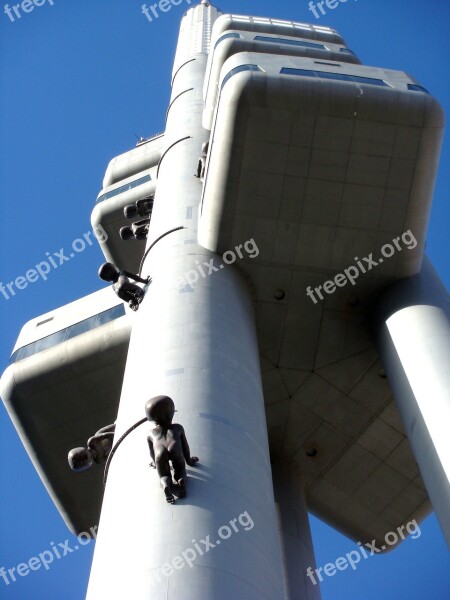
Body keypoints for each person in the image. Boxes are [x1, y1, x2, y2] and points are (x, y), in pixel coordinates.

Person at [145, 395, 198, 503]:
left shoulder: (151, 433)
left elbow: (152, 453)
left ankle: (166, 485)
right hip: (175, 448)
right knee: (180, 469)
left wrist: (155, 463)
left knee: (164, 475)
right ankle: (180, 480)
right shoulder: (178, 428)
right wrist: (189, 460)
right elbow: (185, 447)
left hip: (160, 452)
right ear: (172, 413)